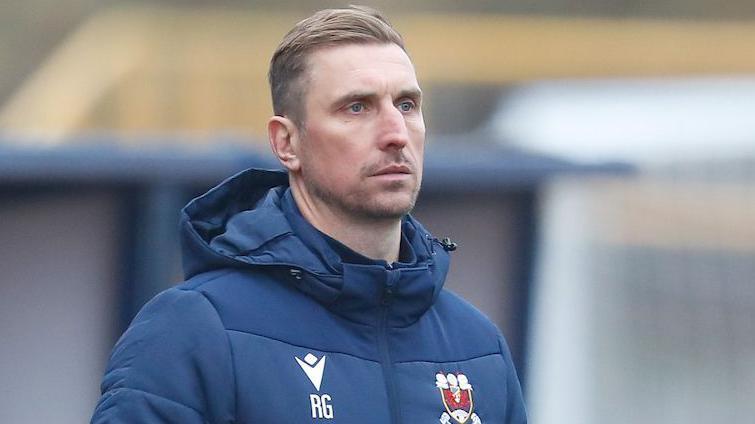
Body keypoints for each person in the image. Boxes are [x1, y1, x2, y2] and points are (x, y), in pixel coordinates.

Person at [91, 6, 527, 423]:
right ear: (287, 143)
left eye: (407, 105)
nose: (396, 133)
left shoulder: (477, 348)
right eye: (357, 107)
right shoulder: (196, 330)